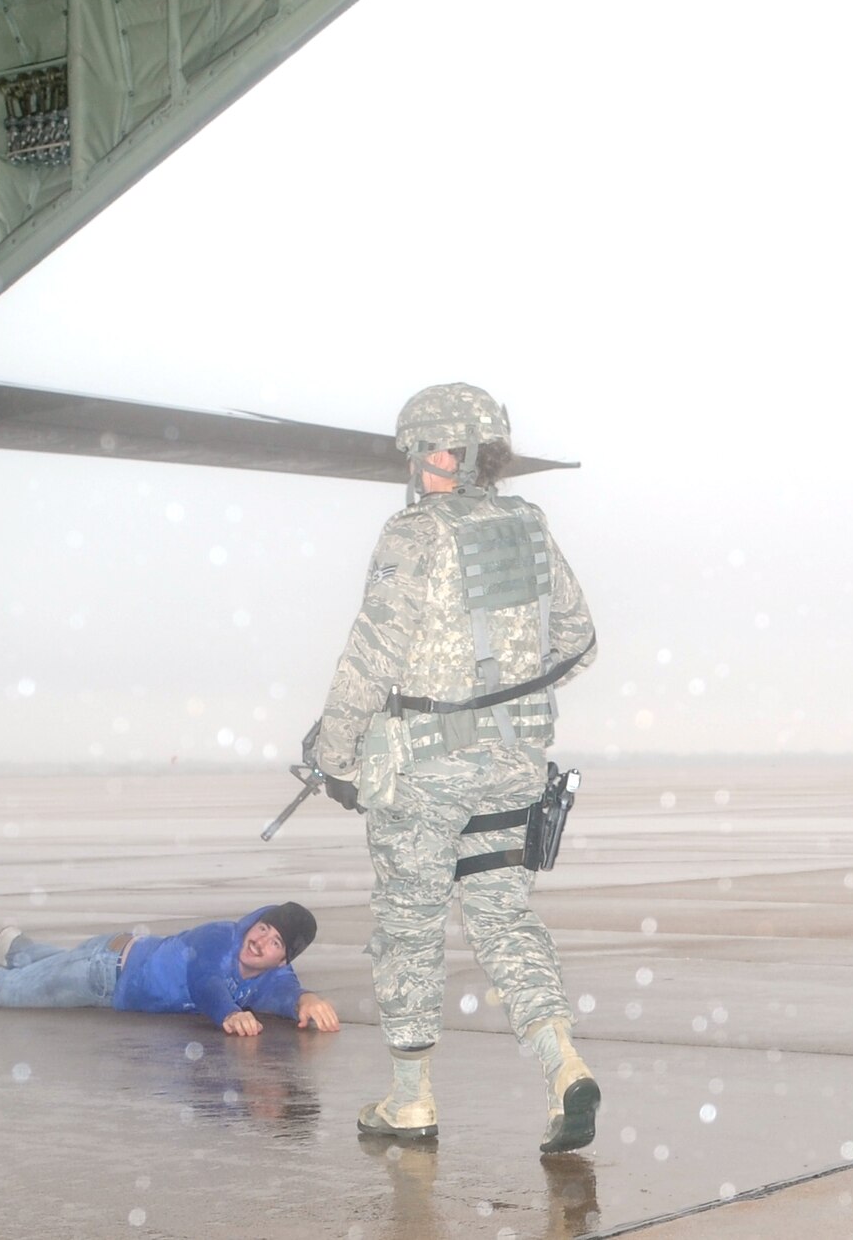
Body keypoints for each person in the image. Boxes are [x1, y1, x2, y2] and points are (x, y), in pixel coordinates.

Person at [307, 383, 599, 1152]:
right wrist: (507, 692)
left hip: (426, 771)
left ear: (444, 453)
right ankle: (564, 1066)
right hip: (513, 767)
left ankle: (412, 1102)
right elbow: (579, 639)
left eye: (418, 452)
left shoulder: (414, 532)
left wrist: (332, 751)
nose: (415, 467)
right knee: (503, 916)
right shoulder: (530, 526)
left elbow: (371, 655)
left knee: (410, 927)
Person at [0, 903, 340, 1034]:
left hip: (113, 956)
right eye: (263, 927)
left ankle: (19, 946)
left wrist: (305, 999)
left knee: (38, 971)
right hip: (103, 971)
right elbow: (207, 981)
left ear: (283, 957)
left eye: (276, 942)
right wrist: (227, 1014)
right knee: (9, 993)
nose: (261, 941)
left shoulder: (275, 975)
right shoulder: (221, 936)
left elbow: (282, 993)